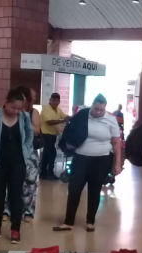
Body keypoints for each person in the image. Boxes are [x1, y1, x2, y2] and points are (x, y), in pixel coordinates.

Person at [52, 94, 122, 232]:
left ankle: (90, 222)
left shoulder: (111, 120)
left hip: (101, 160)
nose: (98, 112)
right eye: (96, 109)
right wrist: (68, 145)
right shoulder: (83, 114)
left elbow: (116, 142)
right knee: (74, 189)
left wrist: (117, 163)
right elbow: (70, 130)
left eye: (101, 110)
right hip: (80, 158)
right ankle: (68, 222)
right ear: (92, 106)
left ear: (105, 109)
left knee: (94, 190)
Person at [0, 88, 34, 244]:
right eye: (14, 107)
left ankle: (15, 230)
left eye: (20, 108)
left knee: (15, 196)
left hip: (18, 163)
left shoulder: (24, 117)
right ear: (6, 103)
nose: (16, 111)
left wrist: (25, 152)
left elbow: (29, 136)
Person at [3, 87, 41, 223]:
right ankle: (7, 210)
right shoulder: (7, 112)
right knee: (9, 183)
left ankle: (28, 211)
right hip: (12, 153)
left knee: (30, 183)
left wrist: (23, 118)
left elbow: (37, 130)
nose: (34, 99)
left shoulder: (32, 113)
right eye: (32, 96)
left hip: (29, 154)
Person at [40, 93, 68, 180]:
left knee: (46, 154)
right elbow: (49, 122)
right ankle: (50, 174)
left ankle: (43, 173)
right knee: (52, 153)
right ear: (50, 100)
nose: (55, 102)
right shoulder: (46, 108)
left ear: (59, 101)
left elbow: (65, 116)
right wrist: (62, 120)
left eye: (57, 101)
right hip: (45, 134)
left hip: (52, 135)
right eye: (53, 100)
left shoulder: (57, 110)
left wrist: (72, 118)